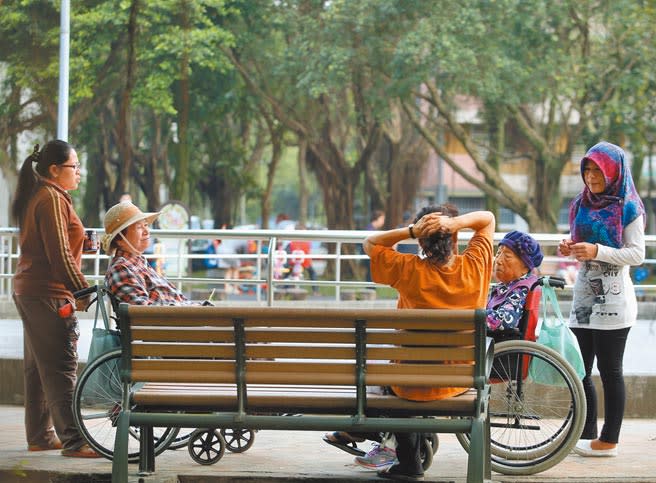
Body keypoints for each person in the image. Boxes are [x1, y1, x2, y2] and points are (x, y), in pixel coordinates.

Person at [325, 204, 495, 481]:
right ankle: (403, 446)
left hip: (409, 384)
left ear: (420, 242)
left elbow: (369, 243)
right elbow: (487, 219)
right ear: (454, 238)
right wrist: (454, 223)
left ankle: (407, 461)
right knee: (396, 382)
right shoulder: (475, 267)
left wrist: (410, 230)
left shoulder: (407, 269)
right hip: (460, 381)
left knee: (388, 382)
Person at [11, 141, 100, 458]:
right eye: (75, 167)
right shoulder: (50, 198)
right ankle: (75, 440)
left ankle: (40, 436)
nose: (79, 172)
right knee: (61, 365)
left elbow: (60, 246)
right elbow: (59, 255)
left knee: (38, 368)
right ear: (54, 170)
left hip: (33, 290)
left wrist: (85, 246)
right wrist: (84, 291)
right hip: (46, 293)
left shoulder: (50, 197)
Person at [559, 141, 646, 458]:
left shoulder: (629, 207)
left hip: (614, 301)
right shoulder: (580, 203)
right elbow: (581, 241)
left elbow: (637, 254)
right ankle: (586, 434)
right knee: (579, 368)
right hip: (583, 298)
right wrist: (570, 248)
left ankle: (609, 440)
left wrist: (599, 251)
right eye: (588, 168)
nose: (591, 176)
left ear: (614, 171)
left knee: (611, 371)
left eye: (598, 169)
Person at [101, 201, 196, 305]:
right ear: (119, 239)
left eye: (146, 225)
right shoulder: (121, 269)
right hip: (177, 318)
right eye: (139, 227)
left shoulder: (139, 262)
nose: (146, 231)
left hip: (184, 315)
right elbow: (144, 312)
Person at [486, 230, 544, 336]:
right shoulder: (506, 286)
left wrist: (474, 315)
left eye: (507, 256)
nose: (498, 260)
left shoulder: (521, 290)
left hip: (499, 345)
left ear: (525, 267)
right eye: (498, 253)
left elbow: (504, 321)